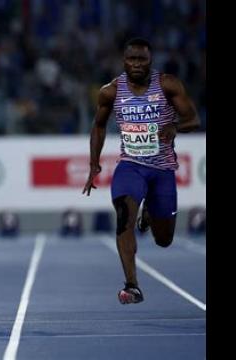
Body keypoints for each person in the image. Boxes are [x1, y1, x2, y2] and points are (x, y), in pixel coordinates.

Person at [82, 38, 199, 304]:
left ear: (150, 61)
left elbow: (194, 119)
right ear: (123, 61)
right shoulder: (110, 91)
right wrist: (93, 164)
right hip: (130, 167)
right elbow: (98, 126)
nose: (136, 64)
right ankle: (132, 285)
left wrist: (175, 127)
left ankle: (149, 212)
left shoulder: (167, 85)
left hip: (162, 171)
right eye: (131, 59)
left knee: (164, 239)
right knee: (123, 215)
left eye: (141, 60)